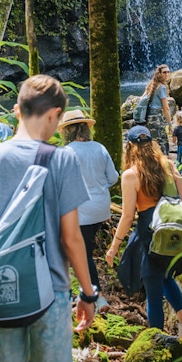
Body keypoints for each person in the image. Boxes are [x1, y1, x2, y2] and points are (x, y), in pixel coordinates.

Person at [0, 75, 96, 362]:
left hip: (1, 286)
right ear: (55, 115)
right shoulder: (62, 160)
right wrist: (87, 292)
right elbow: (71, 238)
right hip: (50, 292)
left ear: (17, 110)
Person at [105, 125, 182, 343]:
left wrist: (114, 246)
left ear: (129, 146)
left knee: (152, 285)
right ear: (152, 144)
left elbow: (128, 216)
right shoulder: (168, 166)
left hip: (150, 231)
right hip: (173, 228)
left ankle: (156, 341)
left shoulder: (130, 175)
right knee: (165, 275)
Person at [58, 109, 119, 312]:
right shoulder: (99, 148)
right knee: (84, 250)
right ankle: (83, 292)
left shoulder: (67, 152)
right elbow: (113, 178)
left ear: (68, 131)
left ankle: (97, 296)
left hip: (80, 210)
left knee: (82, 254)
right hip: (100, 209)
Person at [141, 64, 173, 155]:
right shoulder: (162, 87)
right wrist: (170, 125)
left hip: (148, 117)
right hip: (156, 118)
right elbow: (166, 108)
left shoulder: (151, 84)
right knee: (161, 142)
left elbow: (142, 98)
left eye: (168, 72)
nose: (167, 74)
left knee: (152, 142)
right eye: (164, 72)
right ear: (159, 74)